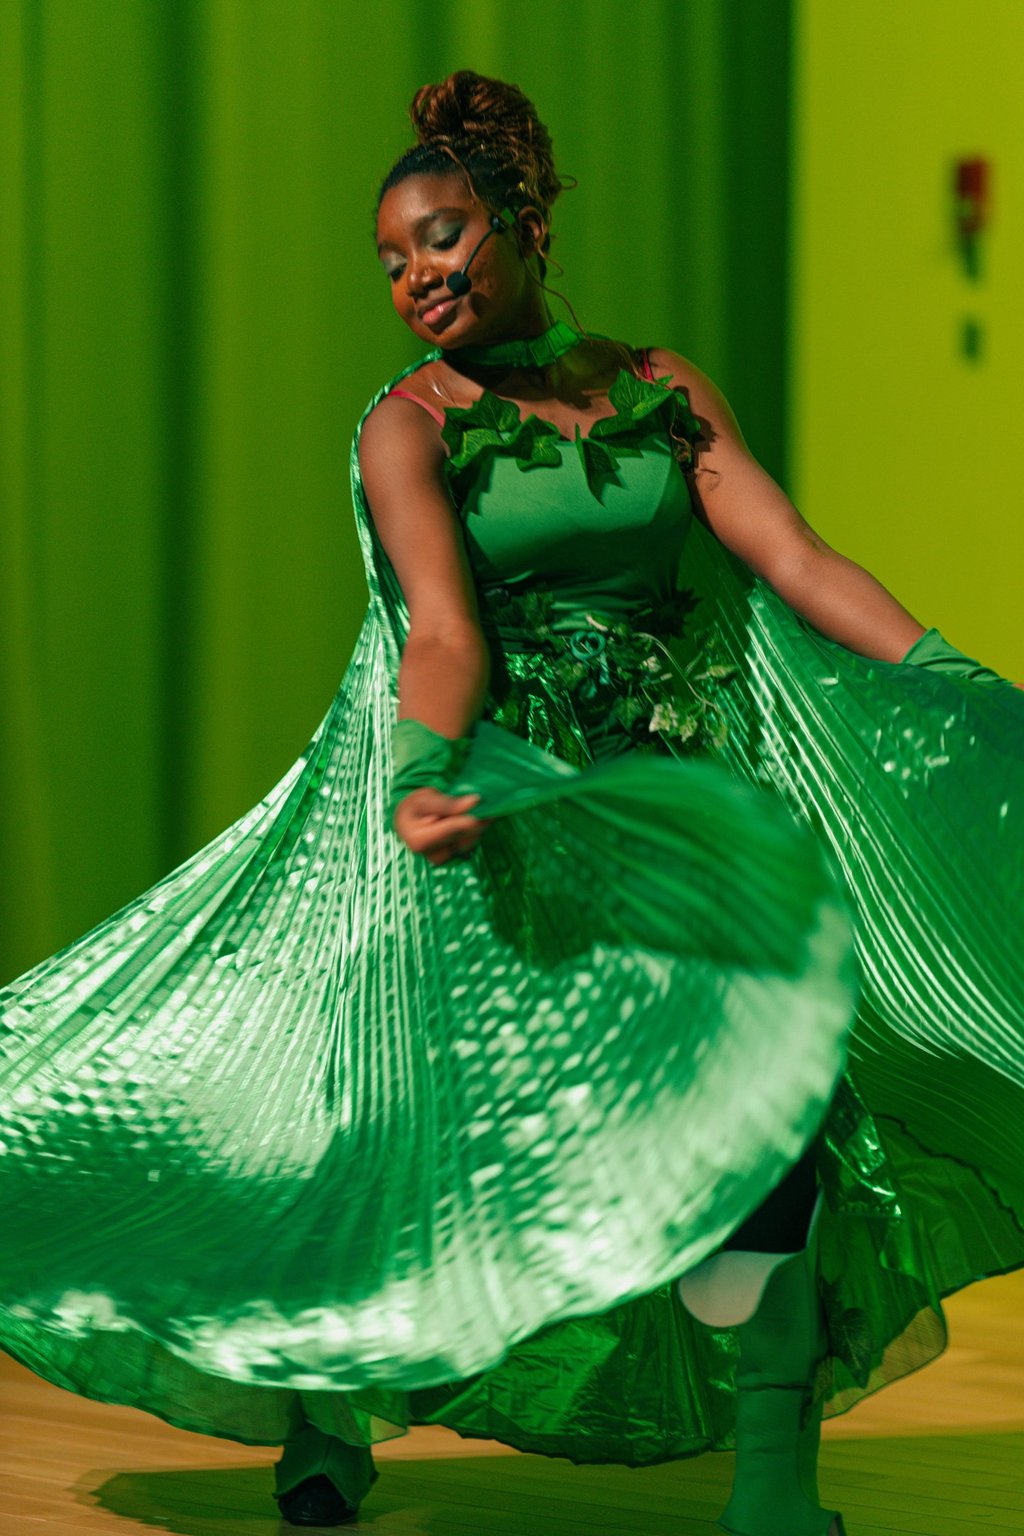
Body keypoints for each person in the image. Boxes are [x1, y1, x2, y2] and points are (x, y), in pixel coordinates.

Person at [1, 70, 1022, 1536]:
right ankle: (327, 1407)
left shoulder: (657, 389)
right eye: (392, 258)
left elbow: (792, 556)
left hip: (677, 798)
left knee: (770, 1101)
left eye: (443, 237)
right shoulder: (407, 428)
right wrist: (426, 775)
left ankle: (773, 1486)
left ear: (525, 222)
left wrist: (939, 670)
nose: (417, 275)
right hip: (510, 806)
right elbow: (442, 630)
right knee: (424, 1123)